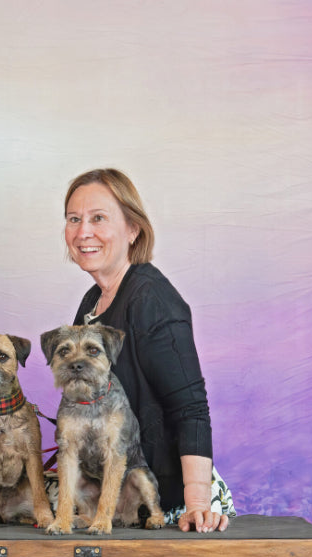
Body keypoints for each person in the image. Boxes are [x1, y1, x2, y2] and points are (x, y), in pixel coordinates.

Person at [63, 168, 236, 533]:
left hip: (165, 501)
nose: (83, 232)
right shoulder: (93, 303)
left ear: (132, 229)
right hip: (113, 492)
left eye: (98, 218)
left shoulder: (152, 300)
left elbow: (190, 407)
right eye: (74, 219)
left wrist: (198, 503)